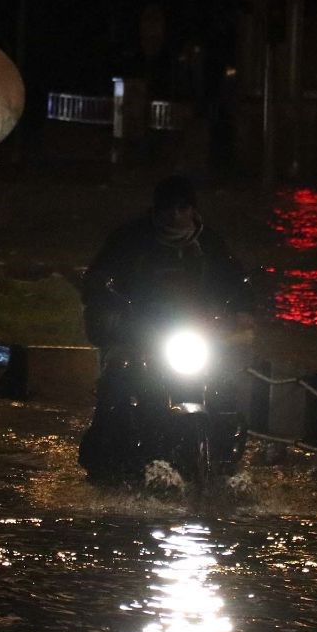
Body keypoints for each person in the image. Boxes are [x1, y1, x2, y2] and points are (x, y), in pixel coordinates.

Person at [78, 175, 253, 485]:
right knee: (117, 384)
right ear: (156, 210)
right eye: (168, 208)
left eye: (182, 208)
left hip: (194, 332)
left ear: (193, 210)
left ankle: (226, 457)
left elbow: (235, 280)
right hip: (140, 334)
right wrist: (109, 311)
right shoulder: (129, 239)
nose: (175, 215)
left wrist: (242, 311)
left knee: (224, 388)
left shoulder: (210, 243)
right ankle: (104, 461)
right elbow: (99, 280)